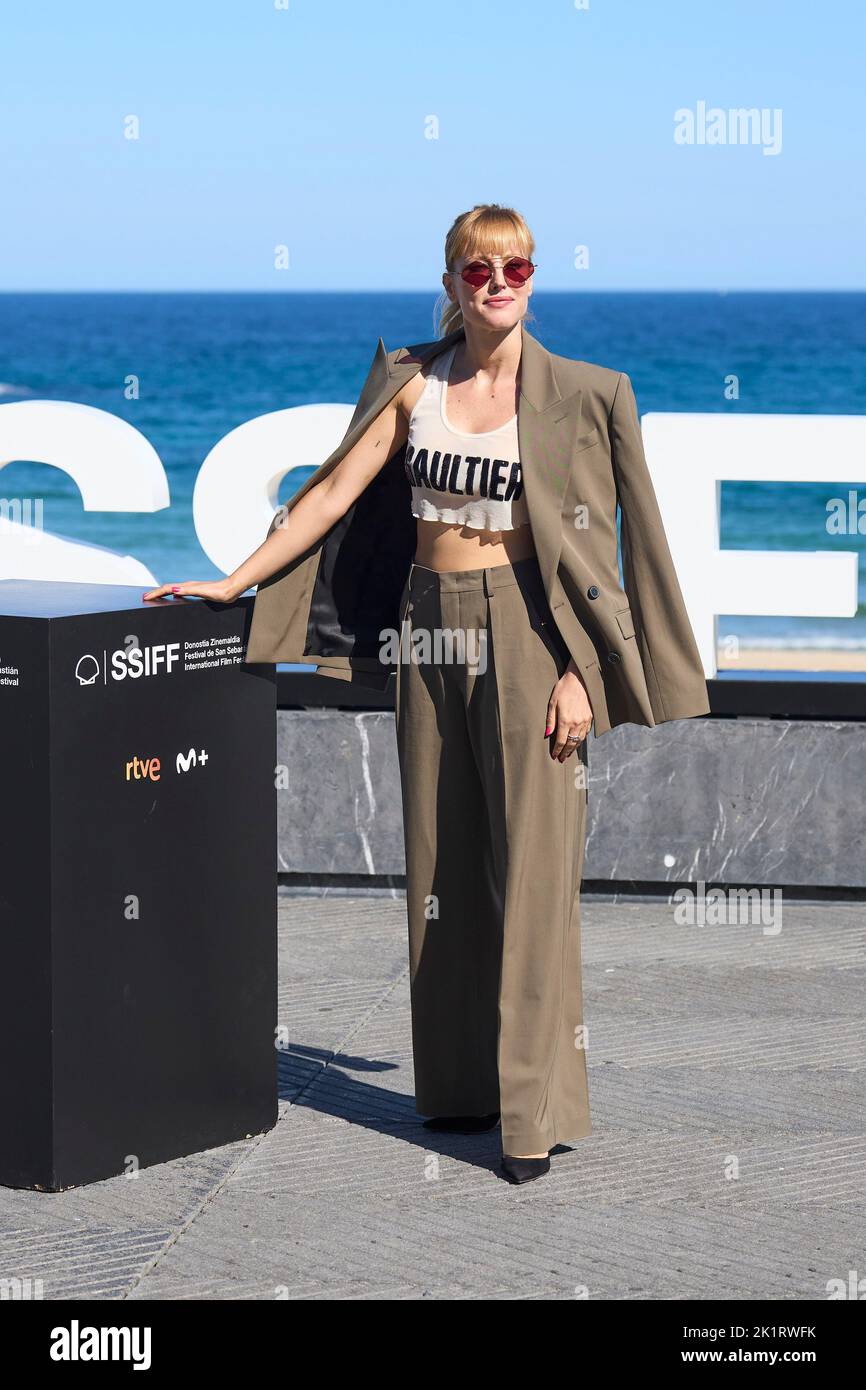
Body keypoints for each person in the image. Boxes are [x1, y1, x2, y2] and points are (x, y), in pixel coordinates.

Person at [144, 203, 710, 1185]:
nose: (497, 283)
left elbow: (597, 551)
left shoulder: (582, 393)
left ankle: (530, 1117)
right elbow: (326, 494)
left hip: (530, 636)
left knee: (532, 880)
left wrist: (584, 673)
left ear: (534, 277)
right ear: (449, 282)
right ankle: (455, 1089)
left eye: (514, 267)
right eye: (477, 269)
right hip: (425, 629)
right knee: (442, 871)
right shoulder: (412, 382)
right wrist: (231, 583)